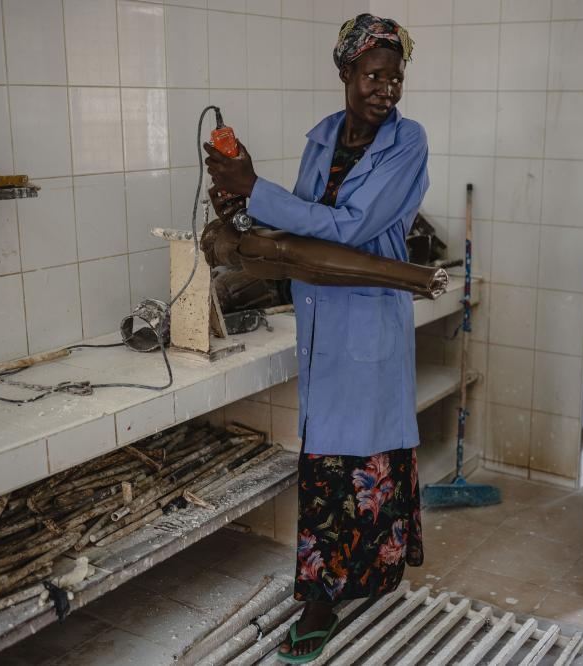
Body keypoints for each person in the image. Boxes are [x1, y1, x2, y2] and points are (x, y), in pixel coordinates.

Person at [204, 13, 427, 663]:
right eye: (372, 75)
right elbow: (306, 224)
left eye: (394, 77)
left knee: (364, 457)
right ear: (345, 73)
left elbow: (351, 228)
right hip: (319, 316)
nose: (385, 88)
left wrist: (256, 190)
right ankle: (328, 591)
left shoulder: (407, 142)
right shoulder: (323, 136)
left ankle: (340, 592)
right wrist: (240, 209)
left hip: (368, 315)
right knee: (327, 460)